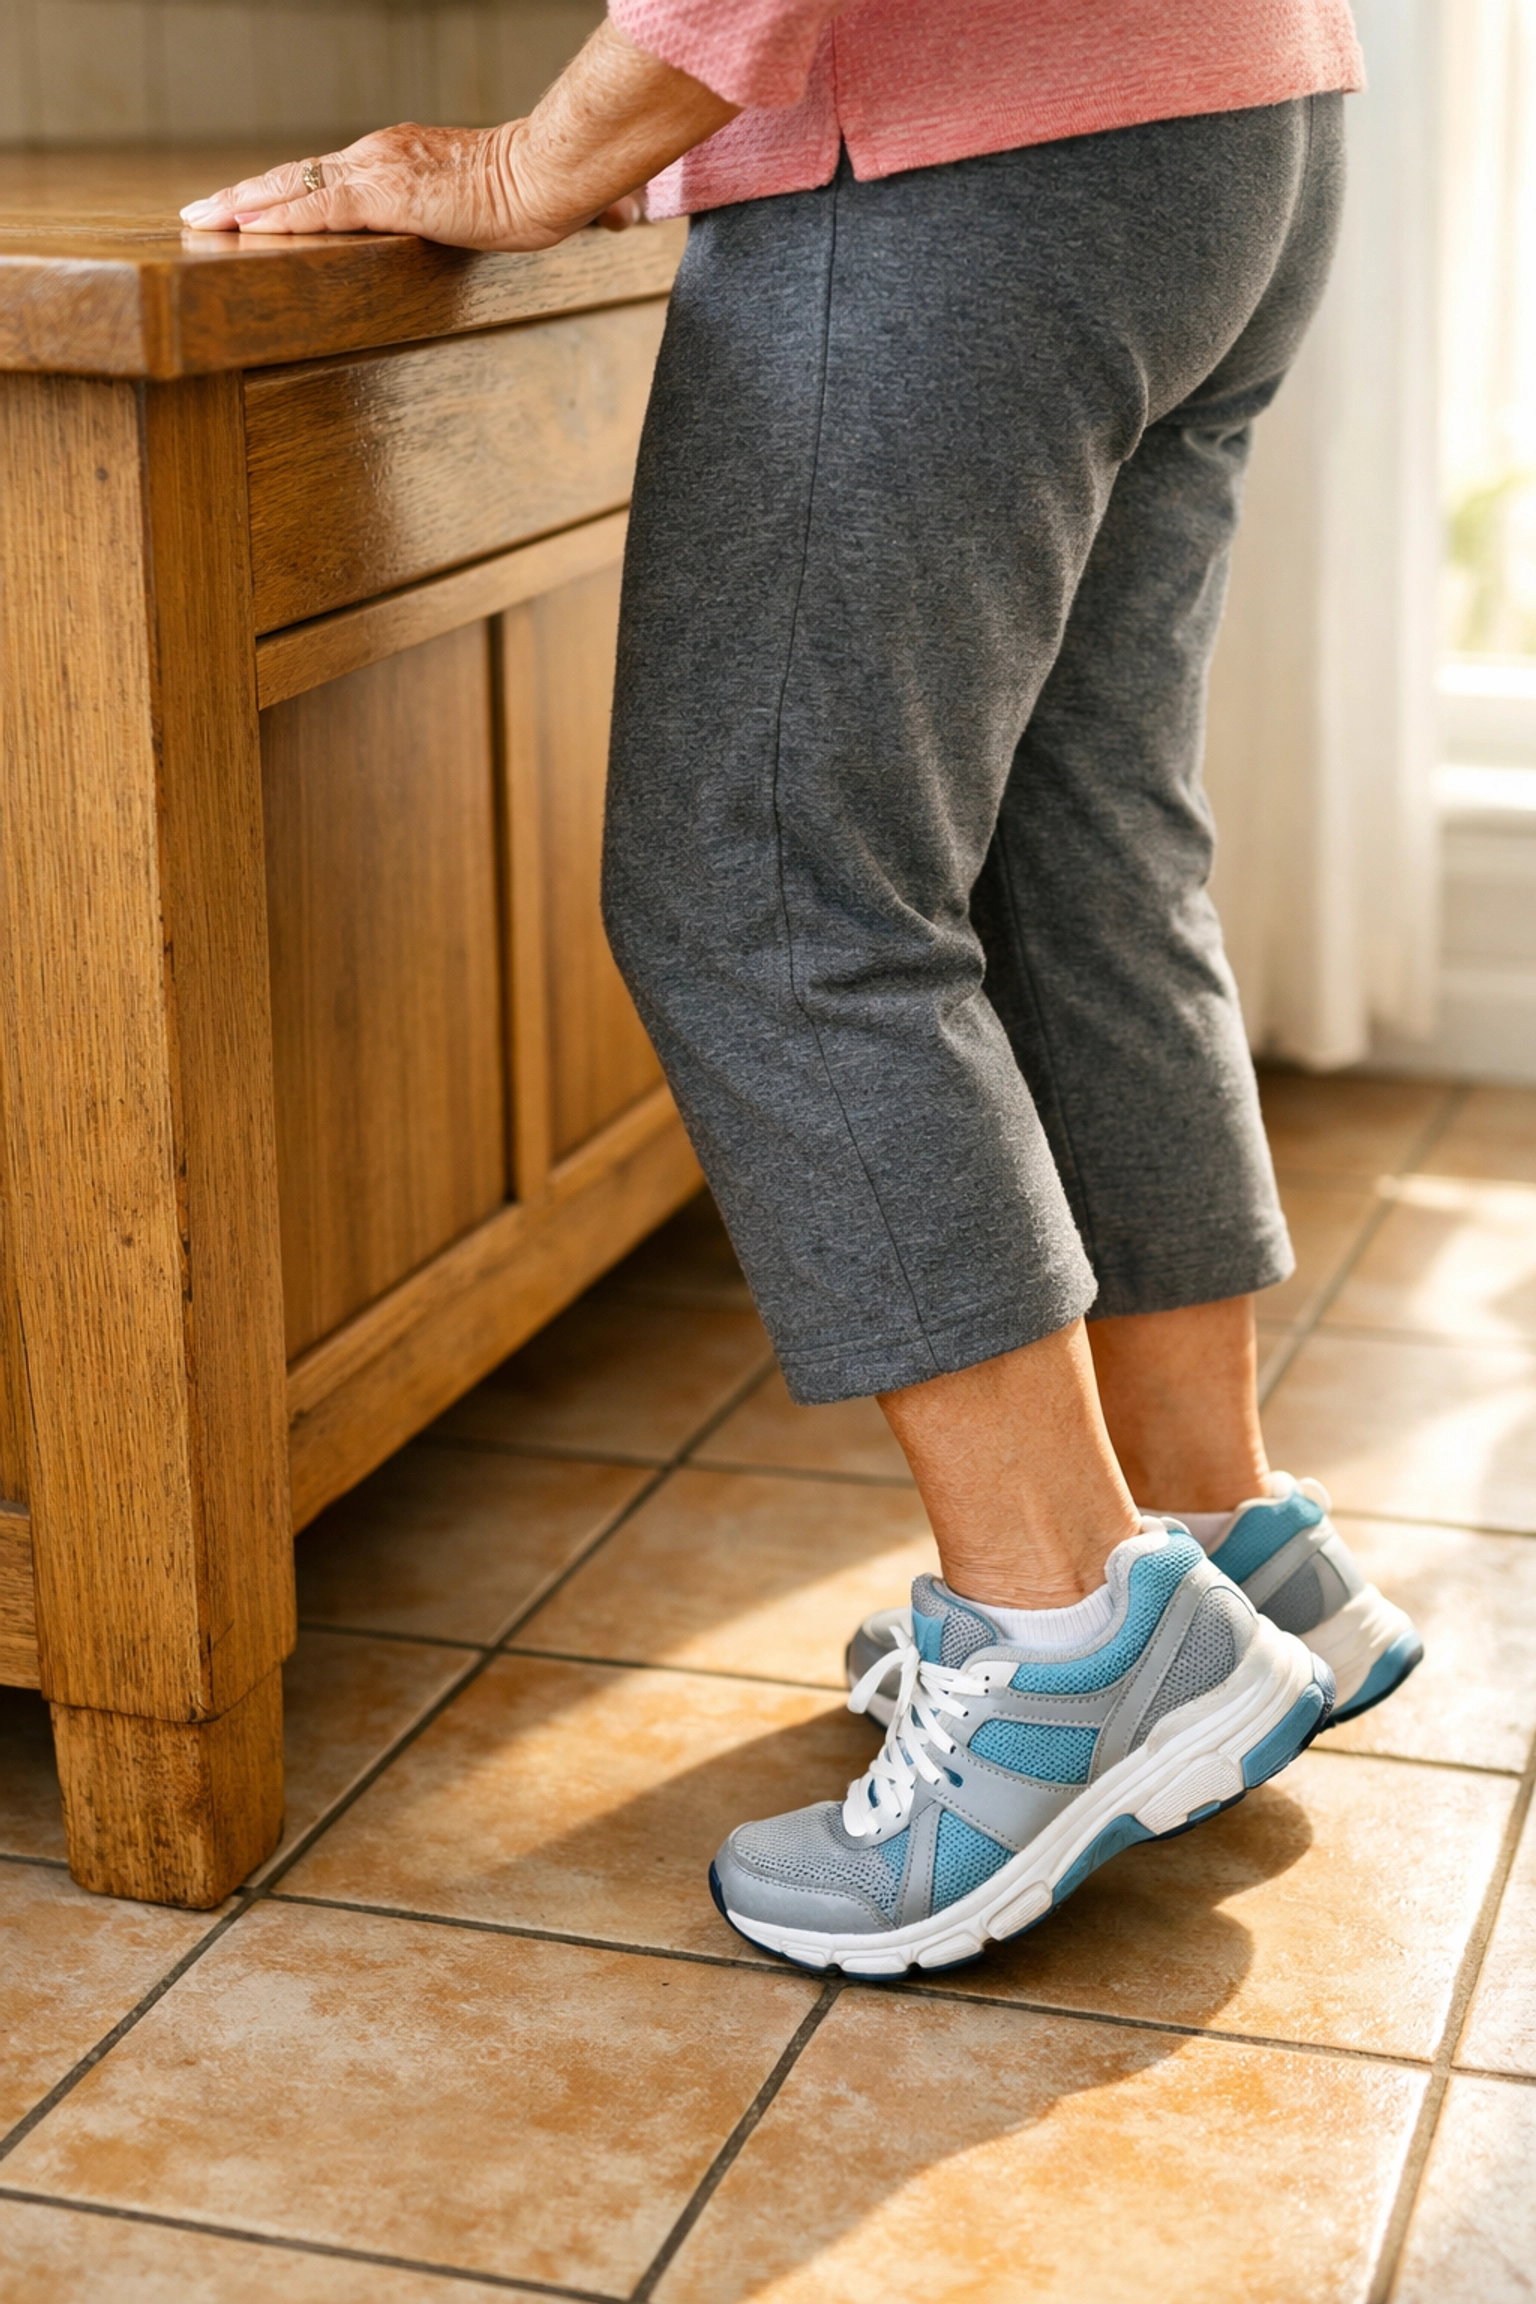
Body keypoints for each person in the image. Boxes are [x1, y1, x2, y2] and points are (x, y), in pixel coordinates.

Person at [184, 0, 1422, 1980]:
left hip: (955, 157)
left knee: (768, 890)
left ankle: (1070, 1641)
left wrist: (542, 156)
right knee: (1077, 847)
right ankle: (1218, 1531)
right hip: (1228, 121)